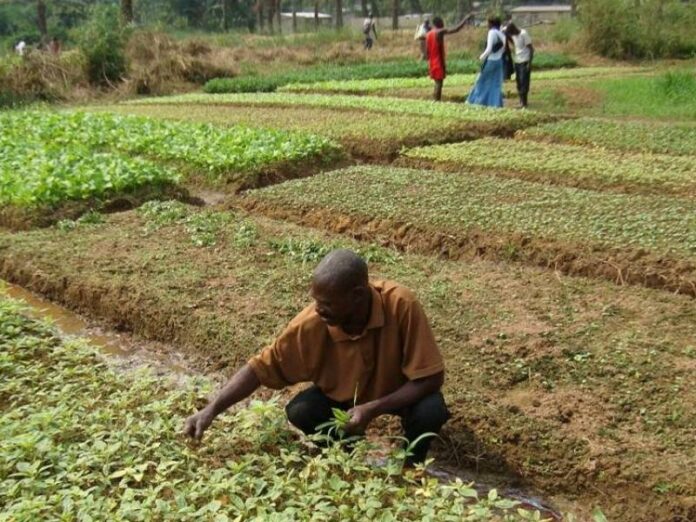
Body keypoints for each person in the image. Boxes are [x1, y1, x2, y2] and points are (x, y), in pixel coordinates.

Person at [183, 249, 449, 466]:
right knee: (301, 410)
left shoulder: (401, 305)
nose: (319, 309)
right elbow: (260, 367)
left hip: (396, 392)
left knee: (430, 410)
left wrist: (373, 408)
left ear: (357, 296)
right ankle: (350, 458)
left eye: (328, 303)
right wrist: (211, 410)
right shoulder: (312, 322)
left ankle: (412, 467)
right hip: (343, 398)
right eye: (316, 301)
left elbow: (431, 377)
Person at [426, 14, 473, 101]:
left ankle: (436, 100)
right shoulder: (439, 32)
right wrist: (465, 19)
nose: (443, 24)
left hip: (432, 61)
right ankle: (436, 101)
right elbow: (456, 29)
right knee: (439, 82)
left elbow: (427, 51)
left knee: (437, 82)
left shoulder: (428, 34)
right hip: (438, 61)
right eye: (442, 22)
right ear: (439, 23)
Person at [466, 16, 506, 108]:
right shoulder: (502, 34)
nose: (487, 25)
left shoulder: (491, 32)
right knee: (495, 83)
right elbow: (504, 49)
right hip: (499, 61)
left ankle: (476, 101)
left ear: (491, 24)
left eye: (488, 23)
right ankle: (495, 104)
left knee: (481, 81)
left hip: (491, 61)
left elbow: (489, 49)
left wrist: (481, 57)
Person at [504, 22, 534, 108]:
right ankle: (521, 101)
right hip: (517, 61)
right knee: (519, 82)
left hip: (525, 61)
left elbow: (531, 49)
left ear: (514, 30)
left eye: (511, 33)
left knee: (524, 82)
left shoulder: (523, 34)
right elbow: (505, 33)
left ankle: (524, 102)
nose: (511, 34)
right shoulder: (513, 35)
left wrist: (529, 63)